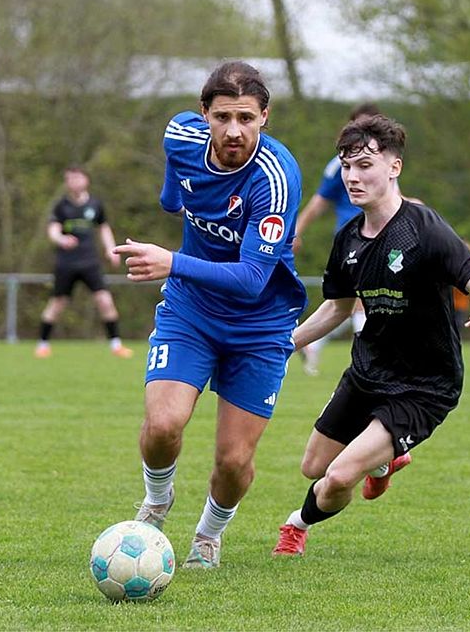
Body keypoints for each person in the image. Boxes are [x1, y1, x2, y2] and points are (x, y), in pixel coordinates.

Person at [270, 114, 470, 557]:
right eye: (346, 166)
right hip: (367, 373)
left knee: (338, 477)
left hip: (423, 386)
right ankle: (383, 459)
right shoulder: (347, 240)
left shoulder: (424, 228)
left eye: (364, 165)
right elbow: (338, 308)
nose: (352, 177)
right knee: (313, 467)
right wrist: (287, 343)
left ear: (394, 167)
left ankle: (295, 525)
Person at [112, 61, 306, 569]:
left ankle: (208, 534)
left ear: (265, 116)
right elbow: (171, 198)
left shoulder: (277, 178)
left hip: (260, 324)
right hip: (192, 310)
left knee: (234, 460)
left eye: (246, 117)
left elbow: (250, 279)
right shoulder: (180, 134)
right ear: (205, 115)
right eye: (223, 117)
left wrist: (171, 260)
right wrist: (179, 198)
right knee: (162, 425)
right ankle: (157, 500)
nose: (234, 130)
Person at [292, 103, 384, 375]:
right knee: (360, 299)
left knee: (356, 301)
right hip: (354, 238)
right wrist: (295, 230)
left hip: (382, 235)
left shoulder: (384, 162)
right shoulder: (339, 167)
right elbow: (319, 202)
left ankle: (312, 343)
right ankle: (365, 360)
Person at [35, 166, 133, 359]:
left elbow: (104, 228)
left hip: (90, 263)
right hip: (66, 264)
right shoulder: (61, 206)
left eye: (76, 178)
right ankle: (42, 344)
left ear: (85, 180)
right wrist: (61, 239)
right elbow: (53, 230)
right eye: (69, 179)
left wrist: (111, 249)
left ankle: (116, 345)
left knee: (105, 301)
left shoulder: (95, 204)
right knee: (57, 303)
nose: (73, 182)